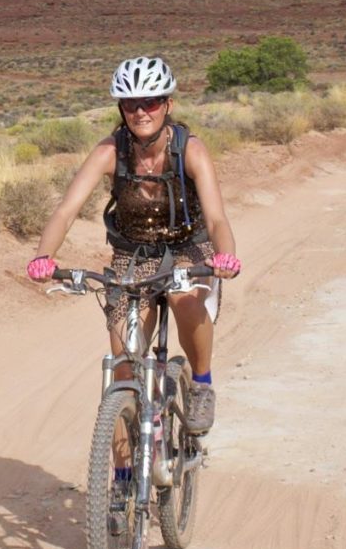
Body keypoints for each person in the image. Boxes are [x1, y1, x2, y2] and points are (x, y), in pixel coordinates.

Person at [24, 56, 241, 433]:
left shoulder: (190, 150)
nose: (141, 112)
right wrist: (44, 255)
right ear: (121, 109)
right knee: (122, 364)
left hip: (189, 250)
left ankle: (202, 385)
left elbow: (217, 218)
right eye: (130, 104)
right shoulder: (110, 151)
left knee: (185, 301)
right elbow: (65, 211)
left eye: (151, 102)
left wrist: (226, 256)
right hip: (133, 254)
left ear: (167, 105)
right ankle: (121, 479)